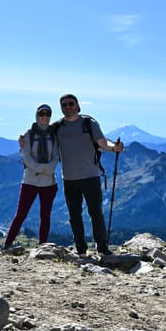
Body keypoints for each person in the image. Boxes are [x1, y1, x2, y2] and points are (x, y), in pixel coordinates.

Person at [22, 94, 124, 254]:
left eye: (71, 104)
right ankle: (81, 249)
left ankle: (102, 248)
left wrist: (113, 148)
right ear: (61, 108)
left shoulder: (88, 123)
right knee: (74, 216)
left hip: (90, 176)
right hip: (69, 179)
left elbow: (102, 143)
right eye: (64, 105)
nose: (68, 107)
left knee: (95, 213)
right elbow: (40, 132)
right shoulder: (57, 127)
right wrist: (23, 139)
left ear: (77, 105)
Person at [4, 104, 59, 249]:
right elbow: (26, 158)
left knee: (45, 216)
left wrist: (42, 169)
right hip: (30, 182)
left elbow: (55, 157)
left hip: (47, 183)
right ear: (37, 115)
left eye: (48, 114)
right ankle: (7, 245)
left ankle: (42, 248)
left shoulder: (54, 135)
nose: (45, 117)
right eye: (42, 114)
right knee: (20, 215)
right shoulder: (28, 135)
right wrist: (44, 169)